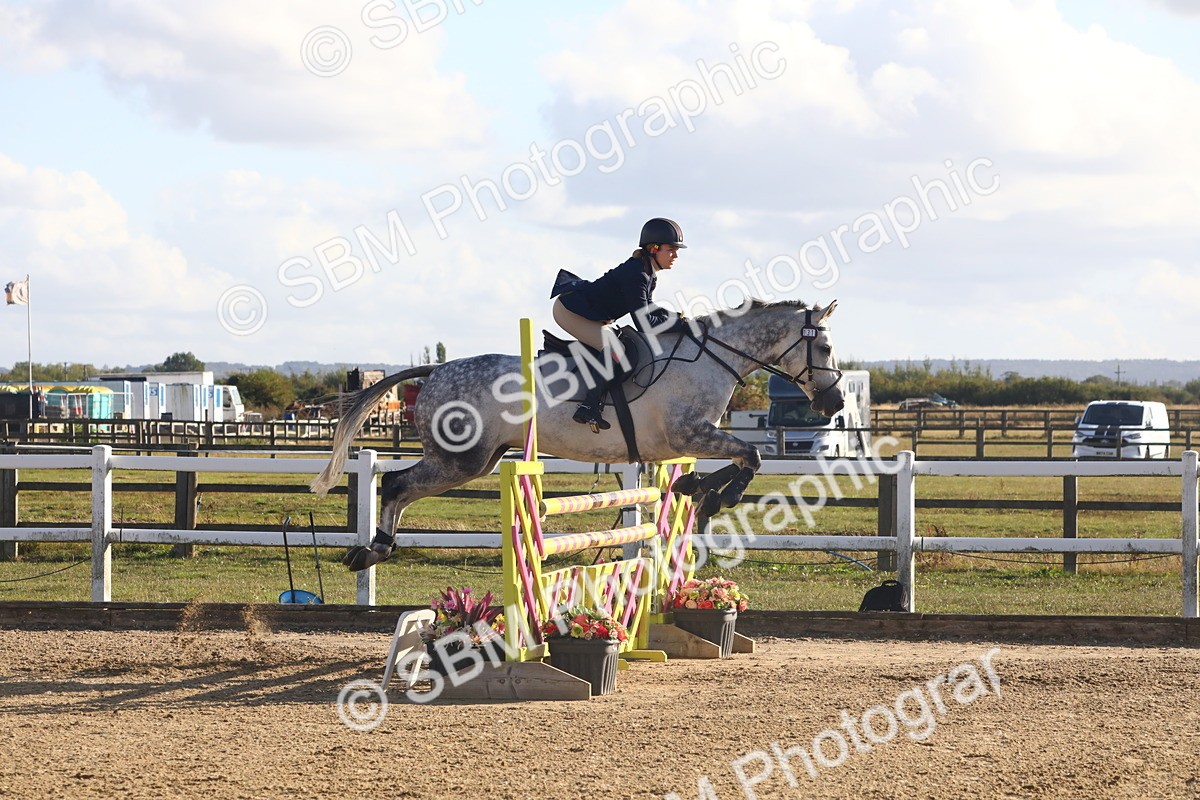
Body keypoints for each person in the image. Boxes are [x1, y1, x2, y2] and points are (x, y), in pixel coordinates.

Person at [550, 217, 688, 431]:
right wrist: (681, 327)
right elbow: (645, 324)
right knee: (615, 349)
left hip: (587, 312)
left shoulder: (647, 272)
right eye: (671, 250)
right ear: (654, 249)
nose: (675, 256)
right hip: (569, 310)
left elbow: (648, 307)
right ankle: (588, 406)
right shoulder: (638, 274)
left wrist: (675, 318)